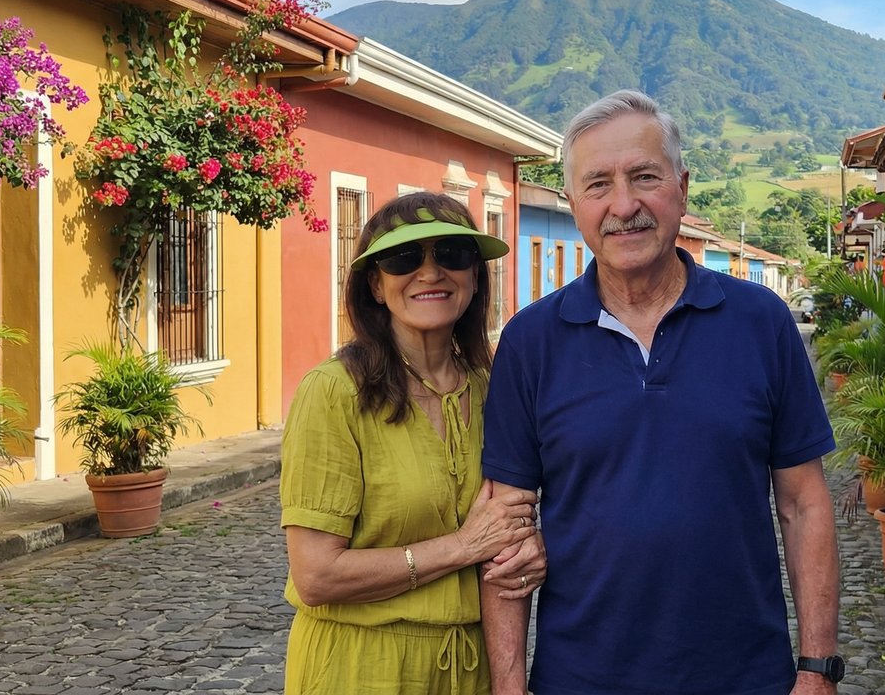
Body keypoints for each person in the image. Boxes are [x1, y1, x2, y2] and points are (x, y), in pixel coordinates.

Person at [479, 90, 841, 695]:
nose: (624, 205)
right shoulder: (530, 342)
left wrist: (818, 668)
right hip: (580, 680)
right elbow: (507, 535)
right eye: (598, 184)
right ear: (574, 204)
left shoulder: (761, 322)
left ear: (683, 187)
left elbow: (804, 504)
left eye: (644, 176)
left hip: (746, 677)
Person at [281, 191, 547, 695]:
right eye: (404, 258)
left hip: (470, 669)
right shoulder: (334, 392)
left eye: (452, 253)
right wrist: (462, 547)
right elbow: (316, 576)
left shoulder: (492, 387)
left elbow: (510, 523)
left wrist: (532, 546)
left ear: (474, 277)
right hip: (361, 667)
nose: (430, 272)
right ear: (375, 285)